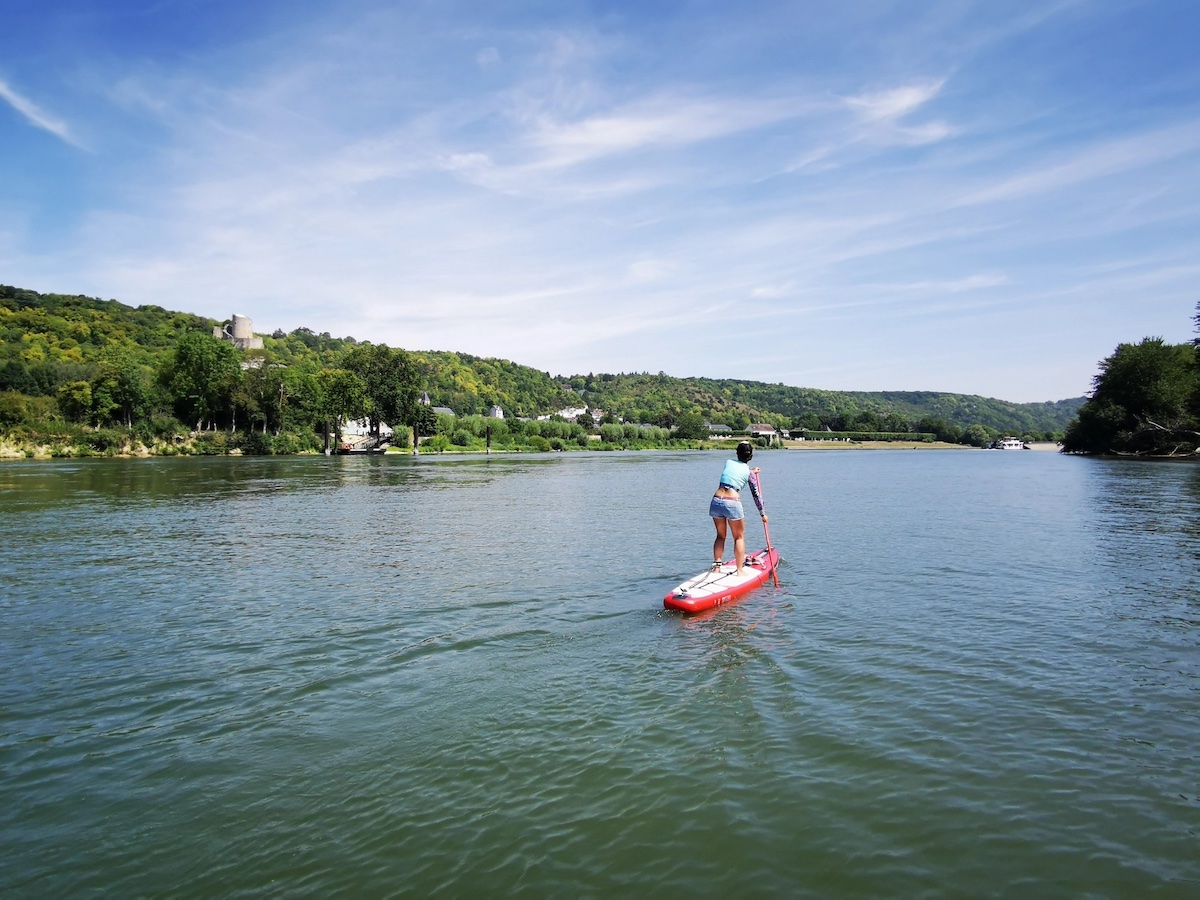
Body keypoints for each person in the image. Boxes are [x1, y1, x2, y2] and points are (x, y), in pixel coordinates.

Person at [709, 441, 767, 576]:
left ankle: (717, 567)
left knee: (720, 536)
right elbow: (756, 495)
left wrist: (752, 471)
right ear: (751, 456)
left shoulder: (728, 462)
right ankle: (740, 570)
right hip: (732, 502)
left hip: (716, 500)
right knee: (739, 537)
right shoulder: (749, 473)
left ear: (736, 453)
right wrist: (762, 514)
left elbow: (735, 472)